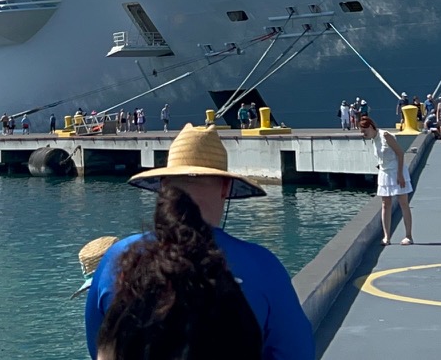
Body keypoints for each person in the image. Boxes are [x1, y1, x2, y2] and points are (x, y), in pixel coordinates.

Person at [85, 125, 312, 360]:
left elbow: (98, 347)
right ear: (226, 188)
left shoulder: (115, 258)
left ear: (163, 184)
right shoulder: (264, 266)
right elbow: (296, 353)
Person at [357, 113, 415, 246]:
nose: (363, 134)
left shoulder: (386, 136)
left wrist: (400, 175)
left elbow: (400, 153)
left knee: (403, 203)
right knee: (385, 204)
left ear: (371, 127)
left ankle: (408, 236)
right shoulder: (373, 139)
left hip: (396, 171)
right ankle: (386, 237)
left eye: (364, 131)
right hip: (384, 172)